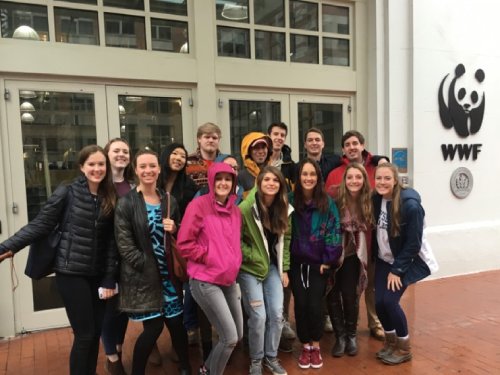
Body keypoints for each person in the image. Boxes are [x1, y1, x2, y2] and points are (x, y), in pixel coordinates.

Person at [0, 145, 118, 375]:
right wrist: (7, 247)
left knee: (95, 333)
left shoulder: (110, 196)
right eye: (91, 164)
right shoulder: (68, 192)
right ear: (82, 167)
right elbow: (40, 224)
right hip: (71, 272)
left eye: (101, 164)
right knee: (84, 334)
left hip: (98, 274)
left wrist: (109, 277)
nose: (97, 168)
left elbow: (112, 242)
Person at [114, 149, 191, 375]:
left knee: (177, 326)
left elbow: (180, 236)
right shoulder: (126, 203)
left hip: (170, 276)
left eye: (152, 166)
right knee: (154, 328)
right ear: (136, 170)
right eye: (143, 167)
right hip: (143, 278)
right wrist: (147, 266)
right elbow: (124, 245)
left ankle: (186, 367)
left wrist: (175, 228)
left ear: (159, 169)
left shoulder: (169, 200)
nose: (148, 170)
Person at [177, 162, 243, 375]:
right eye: (219, 178)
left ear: (233, 183)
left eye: (228, 179)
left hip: (228, 279)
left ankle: (207, 368)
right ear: (212, 180)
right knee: (229, 337)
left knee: (238, 334)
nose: (223, 183)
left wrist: (234, 260)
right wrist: (211, 257)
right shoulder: (199, 205)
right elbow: (184, 243)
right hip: (205, 280)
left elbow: (234, 242)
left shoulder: (235, 211)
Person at [324, 130, 387, 341]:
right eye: (347, 144)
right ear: (343, 149)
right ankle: (348, 326)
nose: (352, 147)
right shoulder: (334, 174)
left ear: (362, 145)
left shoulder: (377, 167)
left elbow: (389, 189)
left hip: (371, 239)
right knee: (346, 287)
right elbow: (326, 204)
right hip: (344, 245)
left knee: (371, 284)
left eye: (355, 143)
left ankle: (374, 322)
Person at [372, 163, 434, 365]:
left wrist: (397, 270)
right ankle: (391, 343)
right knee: (379, 303)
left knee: (390, 302)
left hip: (402, 261)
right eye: (379, 178)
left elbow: (413, 243)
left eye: (387, 178)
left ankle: (404, 347)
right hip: (383, 259)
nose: (382, 182)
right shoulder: (376, 199)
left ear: (395, 180)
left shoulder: (410, 206)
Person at [288, 159, 342, 370]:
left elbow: (334, 231)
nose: (308, 178)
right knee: (300, 304)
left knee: (315, 305)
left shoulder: (327, 203)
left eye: (312, 174)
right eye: (304, 174)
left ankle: (316, 346)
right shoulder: (290, 200)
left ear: (318, 177)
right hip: (296, 263)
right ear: (298, 177)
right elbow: (283, 230)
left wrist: (328, 260)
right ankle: (305, 346)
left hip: (319, 264)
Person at [238, 165, 292, 375]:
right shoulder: (245, 208)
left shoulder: (284, 208)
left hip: (272, 269)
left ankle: (271, 357)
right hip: (249, 269)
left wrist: (284, 269)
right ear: (259, 183)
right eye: (266, 179)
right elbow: (236, 241)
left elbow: (286, 239)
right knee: (259, 316)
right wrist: (253, 256)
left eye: (275, 180)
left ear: (280, 185)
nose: (271, 183)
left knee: (277, 314)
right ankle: (256, 360)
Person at [328, 163, 374, 358]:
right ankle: (340, 337)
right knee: (331, 293)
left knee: (350, 295)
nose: (354, 181)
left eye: (358, 177)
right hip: (333, 252)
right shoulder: (334, 197)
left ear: (364, 180)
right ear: (344, 180)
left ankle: (351, 335)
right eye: (350, 177)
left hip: (353, 256)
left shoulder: (370, 200)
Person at [101, 138, 135, 375]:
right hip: (104, 258)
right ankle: (111, 357)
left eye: (125, 151)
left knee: (124, 308)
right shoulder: (98, 185)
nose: (121, 154)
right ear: (107, 154)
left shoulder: (132, 186)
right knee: (109, 309)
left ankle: (119, 349)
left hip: (128, 257)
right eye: (116, 151)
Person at [186, 122, 226, 188]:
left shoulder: (225, 161)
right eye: (207, 137)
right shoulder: (187, 162)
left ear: (218, 140)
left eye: (214, 138)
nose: (211, 140)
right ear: (199, 139)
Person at [239, 132, 273, 196]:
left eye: (263, 147)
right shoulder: (241, 177)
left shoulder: (275, 173)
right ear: (248, 151)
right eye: (256, 148)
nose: (260, 151)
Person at [267, 122, 297, 189]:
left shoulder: (291, 166)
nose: (279, 137)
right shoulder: (261, 162)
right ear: (268, 136)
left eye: (282, 135)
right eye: (276, 134)